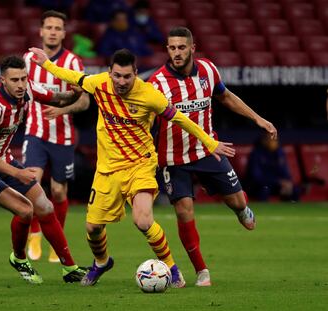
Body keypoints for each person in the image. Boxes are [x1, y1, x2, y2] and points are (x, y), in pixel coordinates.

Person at [29, 46, 236, 287]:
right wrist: (46, 64)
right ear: (110, 73)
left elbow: (179, 118)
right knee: (93, 227)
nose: (122, 81)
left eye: (127, 76)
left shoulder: (149, 95)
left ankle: (171, 268)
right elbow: (73, 77)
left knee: (143, 221)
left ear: (136, 73)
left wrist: (210, 142)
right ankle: (102, 261)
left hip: (140, 165)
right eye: (117, 75)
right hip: (108, 169)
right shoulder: (98, 83)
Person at [148, 27, 278, 287]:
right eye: (172, 48)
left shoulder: (208, 70)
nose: (176, 52)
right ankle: (201, 271)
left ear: (192, 48)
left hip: (209, 149)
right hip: (173, 159)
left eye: (181, 47)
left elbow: (226, 97)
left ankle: (241, 210)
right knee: (184, 211)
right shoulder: (157, 83)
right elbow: (147, 121)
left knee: (238, 201)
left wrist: (257, 118)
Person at [0, 55, 87, 284]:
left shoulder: (28, 90)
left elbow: (57, 99)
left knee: (45, 206)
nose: (20, 84)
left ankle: (70, 268)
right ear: (2, 80)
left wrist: (74, 94)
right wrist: (17, 172)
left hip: (3, 161)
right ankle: (19, 258)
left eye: (24, 79)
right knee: (26, 210)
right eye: (14, 80)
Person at [23, 10, 90, 263]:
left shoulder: (73, 62)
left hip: (62, 136)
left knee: (59, 192)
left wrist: (63, 108)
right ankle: (35, 234)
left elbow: (84, 101)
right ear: (41, 31)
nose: (52, 32)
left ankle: (56, 240)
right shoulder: (28, 59)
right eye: (48, 27)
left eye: (57, 28)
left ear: (64, 33)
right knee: (32, 184)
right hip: (35, 131)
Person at [245, 134, 300, 202]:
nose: (274, 142)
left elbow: (285, 172)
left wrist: (287, 182)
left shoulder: (279, 153)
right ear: (264, 141)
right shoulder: (256, 154)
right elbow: (257, 176)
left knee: (294, 189)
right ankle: (263, 210)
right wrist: (278, 182)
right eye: (271, 139)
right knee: (265, 189)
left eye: (275, 140)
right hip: (260, 185)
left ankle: (291, 211)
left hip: (276, 185)